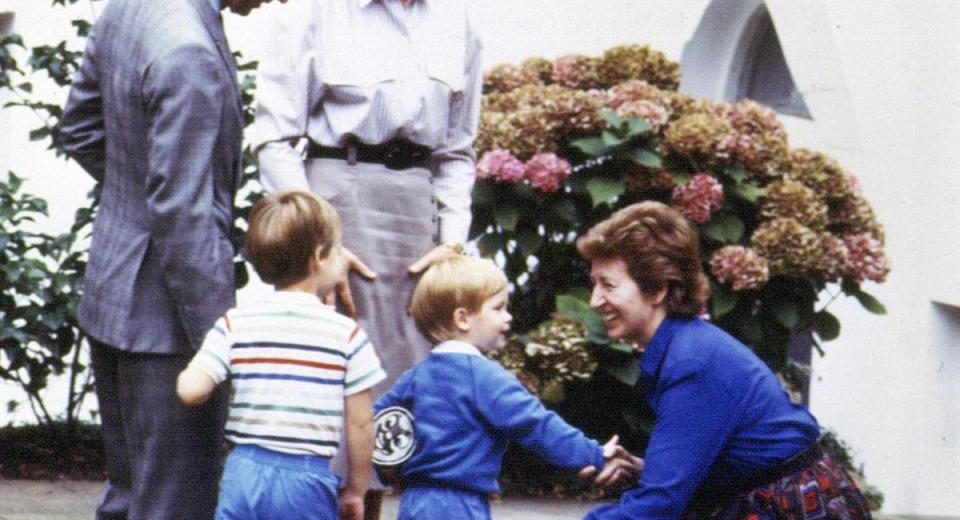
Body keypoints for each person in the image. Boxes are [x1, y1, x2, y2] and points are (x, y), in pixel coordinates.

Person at [59, 0, 322, 518]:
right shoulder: (191, 51)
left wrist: (138, 198)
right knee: (172, 502)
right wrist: (222, 341)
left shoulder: (134, 3)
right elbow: (182, 213)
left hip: (112, 298)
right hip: (167, 323)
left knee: (129, 495)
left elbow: (80, 130)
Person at [249, 0, 481, 515]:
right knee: (338, 394)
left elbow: (459, 148)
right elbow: (272, 137)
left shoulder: (455, 13)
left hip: (418, 216)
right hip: (336, 205)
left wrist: (452, 241)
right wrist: (316, 242)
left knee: (407, 399)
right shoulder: (319, 4)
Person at [576, 201, 873, 520]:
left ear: (658, 289)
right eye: (594, 284)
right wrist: (645, 470)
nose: (594, 301)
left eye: (608, 285)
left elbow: (658, 506)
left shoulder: (692, 361)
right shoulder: (686, 346)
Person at [374, 256, 642, 520]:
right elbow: (536, 425)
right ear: (463, 318)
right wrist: (593, 454)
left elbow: (374, 423)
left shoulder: (415, 376)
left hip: (413, 502)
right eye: (498, 308)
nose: (508, 317)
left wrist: (387, 469)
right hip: (460, 506)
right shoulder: (484, 376)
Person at [177, 191, 385, 520]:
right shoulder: (347, 336)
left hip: (243, 471)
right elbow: (361, 423)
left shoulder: (236, 323)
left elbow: (192, 389)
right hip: (305, 479)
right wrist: (356, 490)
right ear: (319, 256)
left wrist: (190, 376)